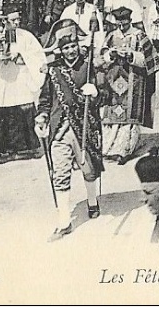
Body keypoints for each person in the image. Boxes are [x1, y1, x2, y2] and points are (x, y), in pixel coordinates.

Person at [35, 25, 104, 242]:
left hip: (84, 125)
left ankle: (92, 202)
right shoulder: (53, 71)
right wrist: (41, 117)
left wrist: (95, 93)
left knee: (89, 167)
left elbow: (104, 95)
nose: (71, 51)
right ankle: (64, 222)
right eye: (67, 48)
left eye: (74, 46)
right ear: (60, 50)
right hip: (59, 129)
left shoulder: (88, 67)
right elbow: (45, 100)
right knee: (60, 173)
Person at [0, 4, 46, 167]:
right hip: (1, 78)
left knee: (20, 107)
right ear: (5, 21)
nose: (17, 22)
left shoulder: (26, 36)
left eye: (18, 19)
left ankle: (23, 148)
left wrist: (20, 56)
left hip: (20, 77)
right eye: (13, 20)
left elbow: (38, 56)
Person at [98, 6, 159, 164]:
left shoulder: (139, 35)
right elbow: (101, 57)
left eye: (124, 24)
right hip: (113, 81)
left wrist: (131, 55)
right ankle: (109, 147)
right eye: (119, 24)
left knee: (129, 115)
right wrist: (110, 55)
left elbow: (150, 59)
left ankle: (125, 149)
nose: (121, 27)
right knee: (113, 113)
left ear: (130, 21)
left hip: (133, 80)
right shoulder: (111, 35)